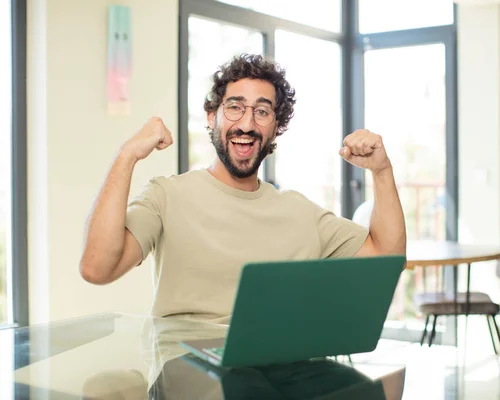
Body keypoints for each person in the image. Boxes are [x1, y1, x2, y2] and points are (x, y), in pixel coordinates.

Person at [79, 54, 407, 323]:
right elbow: (97, 268)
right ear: (212, 116)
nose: (247, 124)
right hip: (188, 378)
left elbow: (387, 256)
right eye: (235, 107)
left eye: (262, 112)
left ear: (276, 128)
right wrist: (127, 156)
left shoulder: (300, 213)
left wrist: (381, 171)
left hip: (278, 375)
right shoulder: (166, 197)